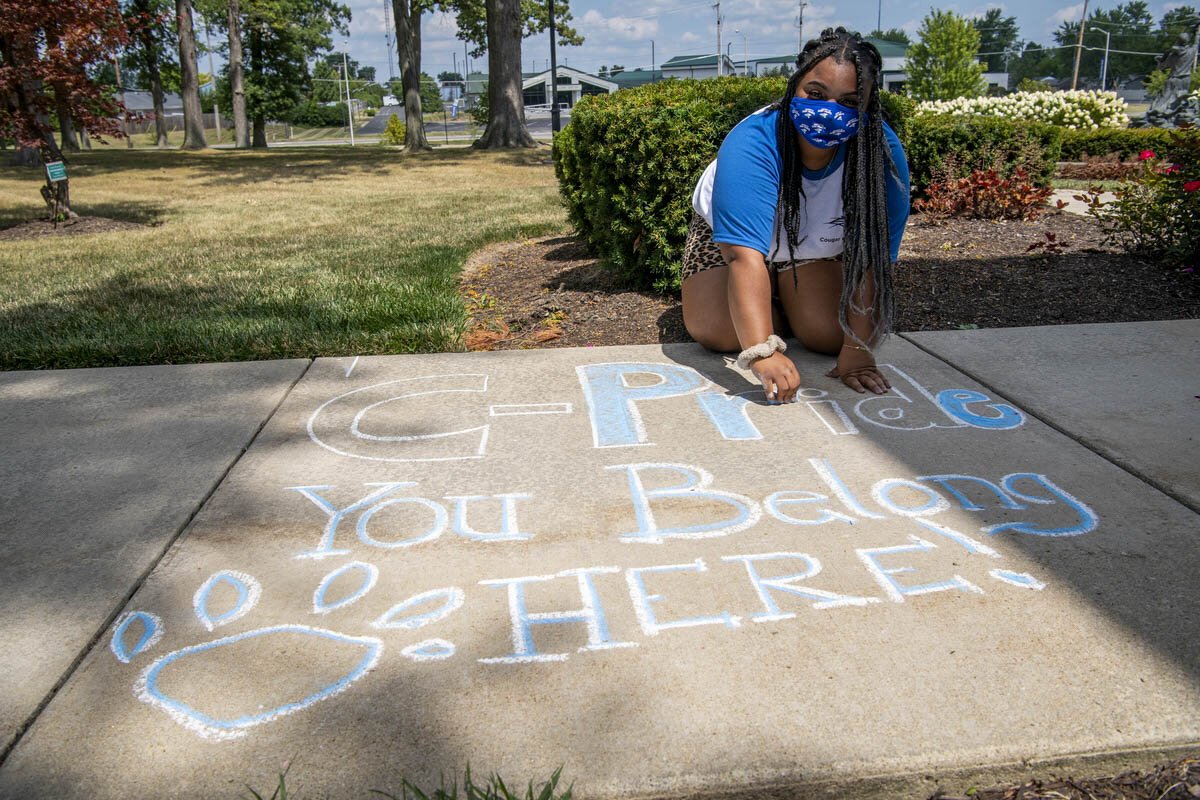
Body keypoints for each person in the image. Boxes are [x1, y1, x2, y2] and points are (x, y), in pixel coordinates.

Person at [682, 27, 910, 402]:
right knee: (718, 331)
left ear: (868, 105)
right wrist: (762, 351)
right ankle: (769, 298)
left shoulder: (880, 153)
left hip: (811, 242)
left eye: (850, 102)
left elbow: (873, 259)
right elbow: (742, 256)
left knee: (829, 336)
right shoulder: (753, 140)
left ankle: (780, 292)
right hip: (734, 244)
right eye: (816, 94)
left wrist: (857, 352)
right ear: (794, 85)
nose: (829, 110)